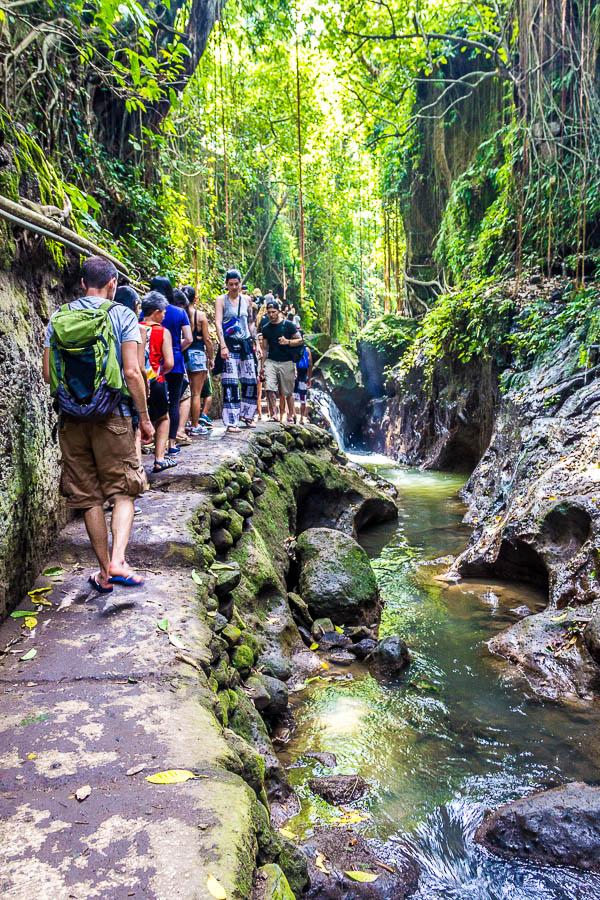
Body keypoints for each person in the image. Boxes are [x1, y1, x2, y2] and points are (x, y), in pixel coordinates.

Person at [42, 255, 153, 592]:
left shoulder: (59, 317)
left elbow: (48, 374)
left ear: (81, 284)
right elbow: (132, 372)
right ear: (112, 285)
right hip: (112, 415)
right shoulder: (121, 315)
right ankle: (118, 560)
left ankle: (104, 573)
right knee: (123, 491)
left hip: (71, 419)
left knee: (88, 497)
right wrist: (144, 417)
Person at [149, 276, 192, 457]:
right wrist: (176, 350)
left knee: (153, 401)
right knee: (173, 402)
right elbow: (189, 338)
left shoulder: (150, 312)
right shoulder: (179, 312)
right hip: (174, 363)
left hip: (153, 362)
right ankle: (171, 443)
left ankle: (152, 441)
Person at [215, 268, 261, 432]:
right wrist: (222, 345)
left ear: (240, 283)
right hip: (229, 343)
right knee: (231, 382)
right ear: (226, 284)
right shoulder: (221, 300)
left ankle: (248, 415)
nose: (234, 287)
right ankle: (231, 421)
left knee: (250, 380)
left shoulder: (247, 300)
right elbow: (218, 323)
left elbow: (250, 323)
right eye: (231, 284)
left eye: (236, 284)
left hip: (245, 343)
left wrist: (257, 344)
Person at [139, 292, 176, 473]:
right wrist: (160, 371)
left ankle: (135, 463)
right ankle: (159, 459)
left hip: (136, 382)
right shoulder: (162, 332)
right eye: (163, 312)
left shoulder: (133, 328)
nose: (164, 315)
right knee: (163, 418)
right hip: (157, 380)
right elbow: (169, 362)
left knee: (137, 419)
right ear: (156, 312)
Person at [260, 299, 303, 424]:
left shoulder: (288, 325)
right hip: (271, 361)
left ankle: (290, 415)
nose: (271, 315)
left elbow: (300, 341)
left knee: (287, 391)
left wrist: (287, 342)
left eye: (273, 312)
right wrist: (262, 366)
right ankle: (273, 413)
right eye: (269, 313)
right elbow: (264, 349)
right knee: (269, 388)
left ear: (278, 311)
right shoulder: (266, 328)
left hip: (286, 361)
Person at [186, 296, 214, 435]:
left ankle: (183, 424)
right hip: (197, 353)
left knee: (184, 393)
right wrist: (211, 357)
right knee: (196, 393)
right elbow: (207, 339)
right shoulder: (200, 316)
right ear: (195, 299)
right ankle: (195, 425)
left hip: (183, 354)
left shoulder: (180, 314)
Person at [294, 339, 312, 424]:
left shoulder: (292, 347)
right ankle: (301, 418)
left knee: (291, 396)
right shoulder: (307, 349)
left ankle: (292, 415)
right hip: (303, 376)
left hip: (293, 376)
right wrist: (309, 378)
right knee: (303, 398)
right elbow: (310, 364)